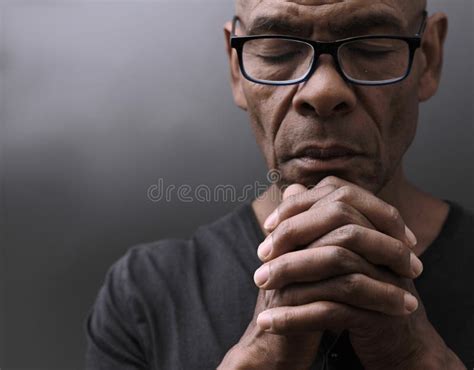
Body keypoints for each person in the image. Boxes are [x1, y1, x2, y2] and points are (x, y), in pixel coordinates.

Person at [84, 0, 473, 369]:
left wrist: (416, 358)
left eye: (370, 47)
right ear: (236, 68)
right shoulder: (145, 296)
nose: (323, 91)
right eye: (277, 50)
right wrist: (262, 357)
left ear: (430, 59)